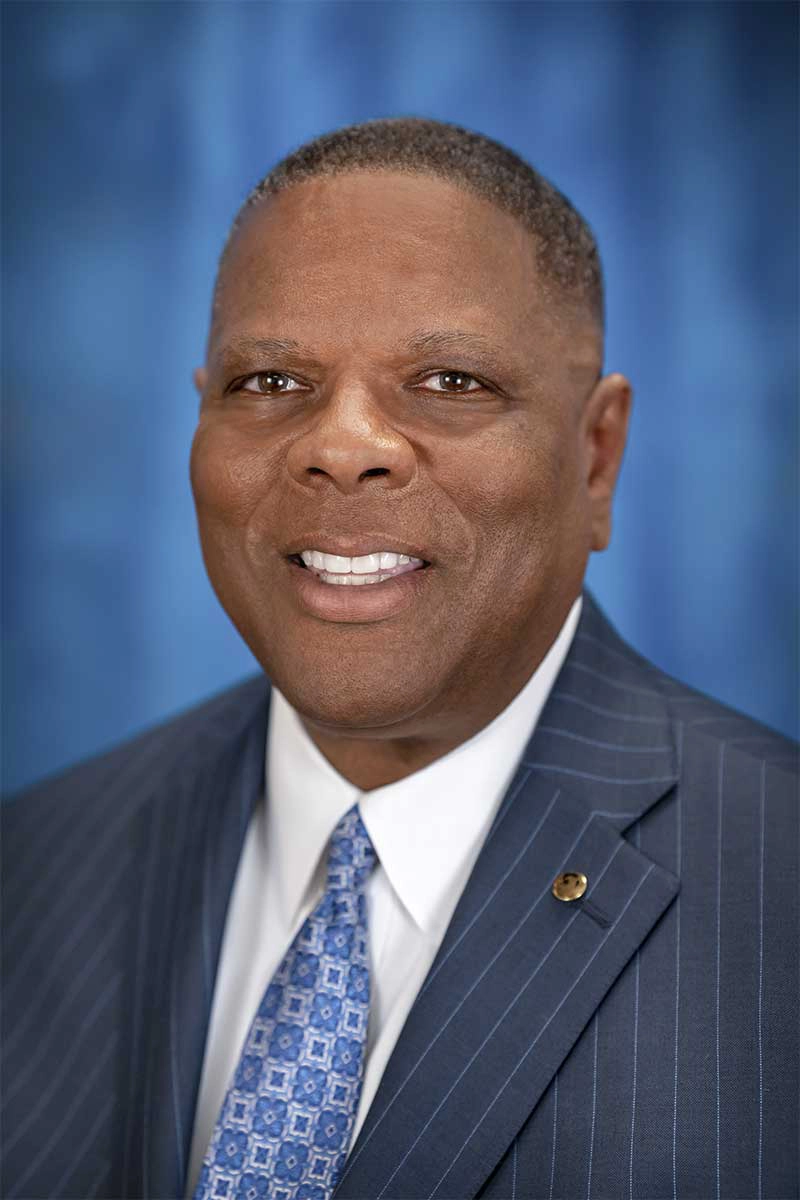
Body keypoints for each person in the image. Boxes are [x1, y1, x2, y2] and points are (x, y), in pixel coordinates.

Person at [2, 118, 797, 1200]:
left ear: (593, 458)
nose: (341, 446)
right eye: (271, 382)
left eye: (452, 381)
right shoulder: (30, 869)